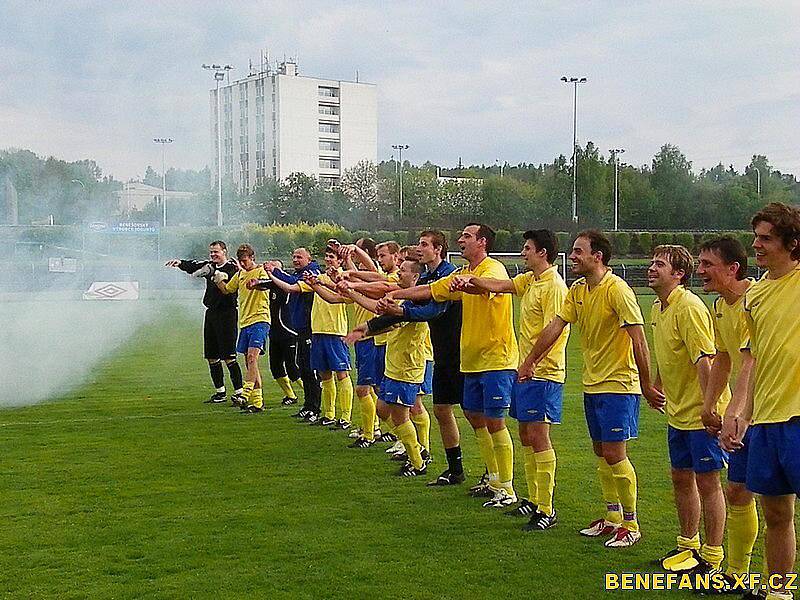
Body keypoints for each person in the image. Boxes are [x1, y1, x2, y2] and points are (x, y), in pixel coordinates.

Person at [524, 229, 663, 548]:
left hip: (619, 384)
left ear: (597, 256)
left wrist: (644, 382)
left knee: (615, 452)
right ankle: (612, 518)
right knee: (601, 451)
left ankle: (631, 523)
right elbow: (555, 327)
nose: (572, 257)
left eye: (578, 252)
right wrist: (530, 359)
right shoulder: (577, 290)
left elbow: (638, 339)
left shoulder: (618, 290)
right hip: (593, 382)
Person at [388, 223, 520, 508]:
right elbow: (433, 291)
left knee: (495, 422)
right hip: (470, 359)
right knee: (474, 416)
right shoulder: (461, 274)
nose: (460, 240)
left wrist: (470, 285)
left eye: (467, 237)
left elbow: (493, 288)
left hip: (496, 357)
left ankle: (506, 488)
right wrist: (396, 294)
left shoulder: (492, 269)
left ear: (482, 242)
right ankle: (493, 477)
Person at [453, 230, 568, 530]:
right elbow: (500, 285)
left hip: (544, 372)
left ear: (542, 252)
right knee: (527, 435)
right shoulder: (530, 280)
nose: (522, 252)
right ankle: (532, 500)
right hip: (526, 370)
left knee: (539, 436)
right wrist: (472, 281)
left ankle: (547, 508)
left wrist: (530, 362)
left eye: (527, 248)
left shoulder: (554, 285)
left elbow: (553, 330)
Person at [725, 203, 800, 600]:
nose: (756, 245)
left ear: (792, 244)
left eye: (766, 238)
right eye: (756, 237)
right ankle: (779, 592)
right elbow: (751, 359)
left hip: (799, 417)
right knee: (776, 514)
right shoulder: (755, 297)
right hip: (767, 421)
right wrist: (739, 412)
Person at [647, 244, 729, 576]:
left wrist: (710, 410)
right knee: (681, 478)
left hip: (701, 414)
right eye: (652, 262)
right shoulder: (657, 307)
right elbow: (668, 356)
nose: (652, 268)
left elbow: (705, 361)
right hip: (678, 413)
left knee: (708, 482)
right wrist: (656, 386)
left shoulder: (690, 307)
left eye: (660, 264)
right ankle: (687, 547)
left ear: (679, 274)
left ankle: (712, 556)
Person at [374, 230, 465, 485]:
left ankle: (498, 480)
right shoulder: (427, 276)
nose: (419, 247)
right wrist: (377, 321)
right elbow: (408, 300)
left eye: (424, 244)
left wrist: (399, 308)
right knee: (441, 410)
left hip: (457, 351)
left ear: (438, 249)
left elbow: (432, 310)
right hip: (441, 353)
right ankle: (454, 469)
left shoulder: (448, 274)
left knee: (475, 416)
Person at [697, 236, 760, 590]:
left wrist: (737, 411)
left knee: (774, 501)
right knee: (737, 492)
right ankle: (736, 574)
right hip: (744, 410)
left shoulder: (755, 301)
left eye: (707, 264)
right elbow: (723, 357)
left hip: (765, 411)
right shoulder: (720, 307)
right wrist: (710, 403)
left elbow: (752, 361)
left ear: (733, 268)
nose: (700, 270)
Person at [345, 257, 432, 476]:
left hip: (407, 367)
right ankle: (414, 446)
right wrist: (364, 332)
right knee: (383, 409)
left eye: (403, 271)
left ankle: (417, 461)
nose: (399, 273)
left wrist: (354, 294)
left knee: (402, 414)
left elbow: (386, 317)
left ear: (415, 277)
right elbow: (387, 325)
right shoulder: (403, 301)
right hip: (393, 365)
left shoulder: (416, 304)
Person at [267, 246, 354, 428]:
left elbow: (294, 287)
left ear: (340, 261)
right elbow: (295, 285)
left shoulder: (345, 280)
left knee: (341, 374)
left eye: (333, 257)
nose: (329, 259)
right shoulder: (319, 277)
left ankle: (345, 417)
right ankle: (329, 414)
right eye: (327, 256)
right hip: (317, 331)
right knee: (324, 374)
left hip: (335, 331)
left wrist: (274, 272)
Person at [165, 240, 245, 405]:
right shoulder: (209, 265)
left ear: (224, 251)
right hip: (211, 313)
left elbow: (232, 283)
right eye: (211, 252)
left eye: (216, 252)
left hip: (227, 314)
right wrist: (179, 263)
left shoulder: (232, 268)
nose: (213, 255)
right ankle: (220, 392)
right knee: (211, 356)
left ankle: (240, 392)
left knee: (229, 356)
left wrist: (218, 276)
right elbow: (193, 265)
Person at [260, 248, 322, 420]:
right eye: (293, 256)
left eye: (299, 257)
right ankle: (308, 406)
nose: (295, 259)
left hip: (310, 328)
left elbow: (291, 285)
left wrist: (275, 272)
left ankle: (315, 409)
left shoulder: (311, 272)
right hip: (300, 328)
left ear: (309, 259)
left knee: (310, 370)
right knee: (303, 368)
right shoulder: (300, 273)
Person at [213, 243, 270, 413]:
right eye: (241, 261)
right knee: (249, 363)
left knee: (252, 357)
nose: (243, 264)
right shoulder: (240, 274)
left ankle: (245, 394)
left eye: (245, 260)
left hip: (260, 319)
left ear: (252, 258)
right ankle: (258, 402)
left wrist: (257, 283)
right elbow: (227, 290)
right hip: (245, 322)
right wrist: (218, 280)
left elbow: (267, 284)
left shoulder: (260, 271)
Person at [263, 260, 302, 406]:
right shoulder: (271, 284)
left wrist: (276, 271)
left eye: (274, 265)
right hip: (274, 332)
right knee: (275, 367)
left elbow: (289, 281)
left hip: (288, 331)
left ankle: (313, 391)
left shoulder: (288, 284)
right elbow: (262, 282)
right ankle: (290, 396)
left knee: (292, 367)